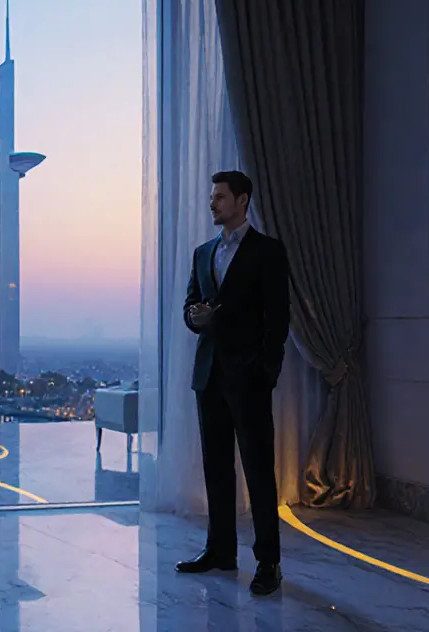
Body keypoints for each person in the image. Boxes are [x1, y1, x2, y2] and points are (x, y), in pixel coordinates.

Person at [177, 170, 290, 596]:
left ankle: (269, 562)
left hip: (250, 378)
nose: (212, 204)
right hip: (209, 377)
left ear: (242, 201)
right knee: (217, 469)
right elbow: (191, 306)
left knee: (260, 471)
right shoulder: (203, 252)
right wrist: (195, 317)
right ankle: (221, 551)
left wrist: (267, 372)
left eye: (220, 197)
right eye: (211, 197)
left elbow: (278, 319)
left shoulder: (268, 251)